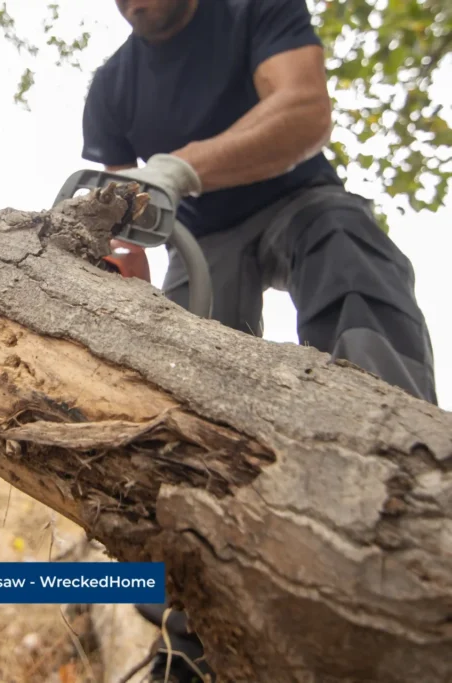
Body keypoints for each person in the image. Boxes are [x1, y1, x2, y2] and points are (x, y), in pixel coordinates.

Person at [80, 0, 439, 680]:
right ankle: (191, 627)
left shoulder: (256, 11)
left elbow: (305, 108)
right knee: (176, 373)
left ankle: (402, 474)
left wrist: (185, 165)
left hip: (297, 197)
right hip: (201, 241)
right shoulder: (110, 87)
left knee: (347, 247)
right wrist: (115, 280)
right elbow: (118, 210)